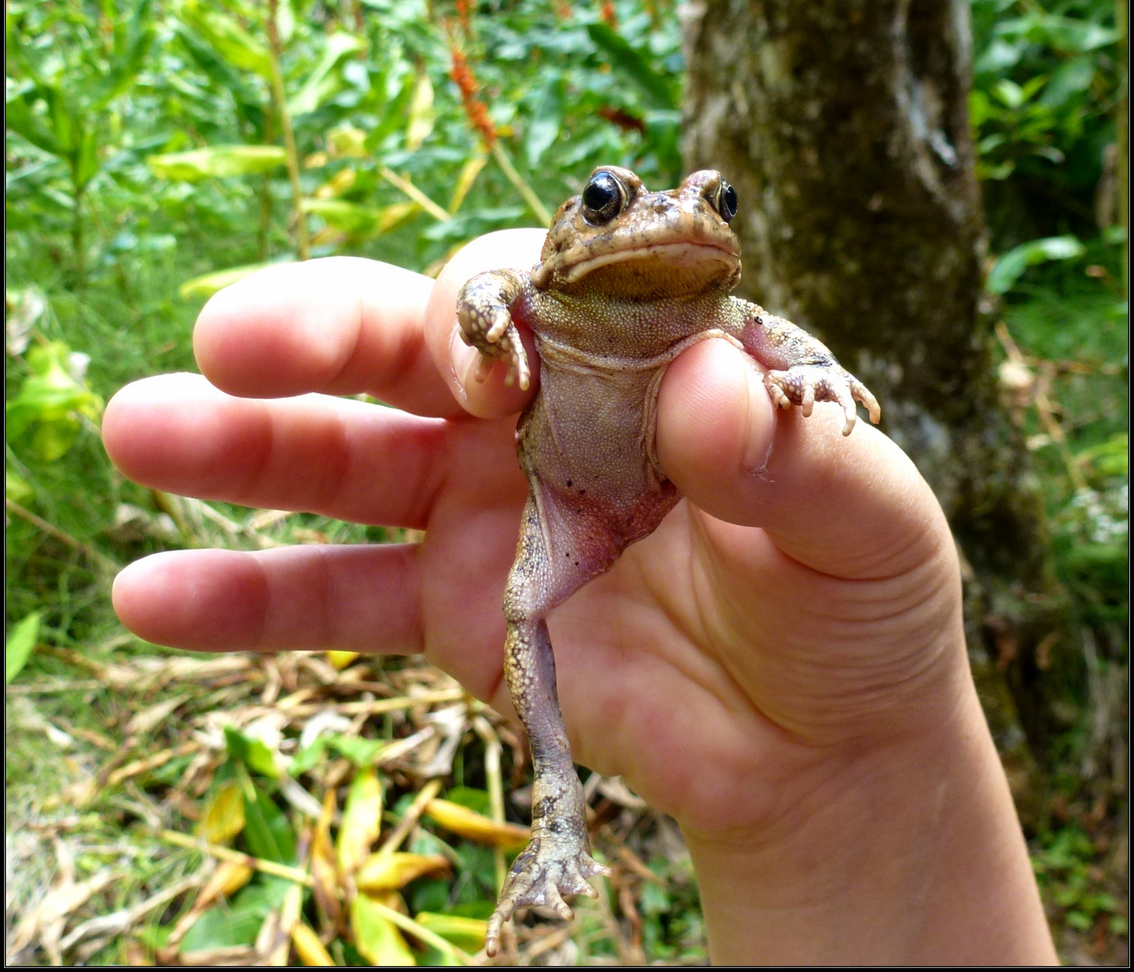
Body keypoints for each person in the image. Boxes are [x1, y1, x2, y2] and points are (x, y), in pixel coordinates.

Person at [102, 231, 1058, 964]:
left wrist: (812, 372)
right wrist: (480, 318)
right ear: (568, 227)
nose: (674, 222)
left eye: (716, 207)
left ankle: (559, 821)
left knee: (534, 605)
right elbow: (491, 287)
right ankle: (558, 814)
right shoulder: (548, 294)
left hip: (682, 503)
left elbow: (785, 340)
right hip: (565, 513)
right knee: (525, 612)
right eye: (606, 202)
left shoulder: (715, 320)